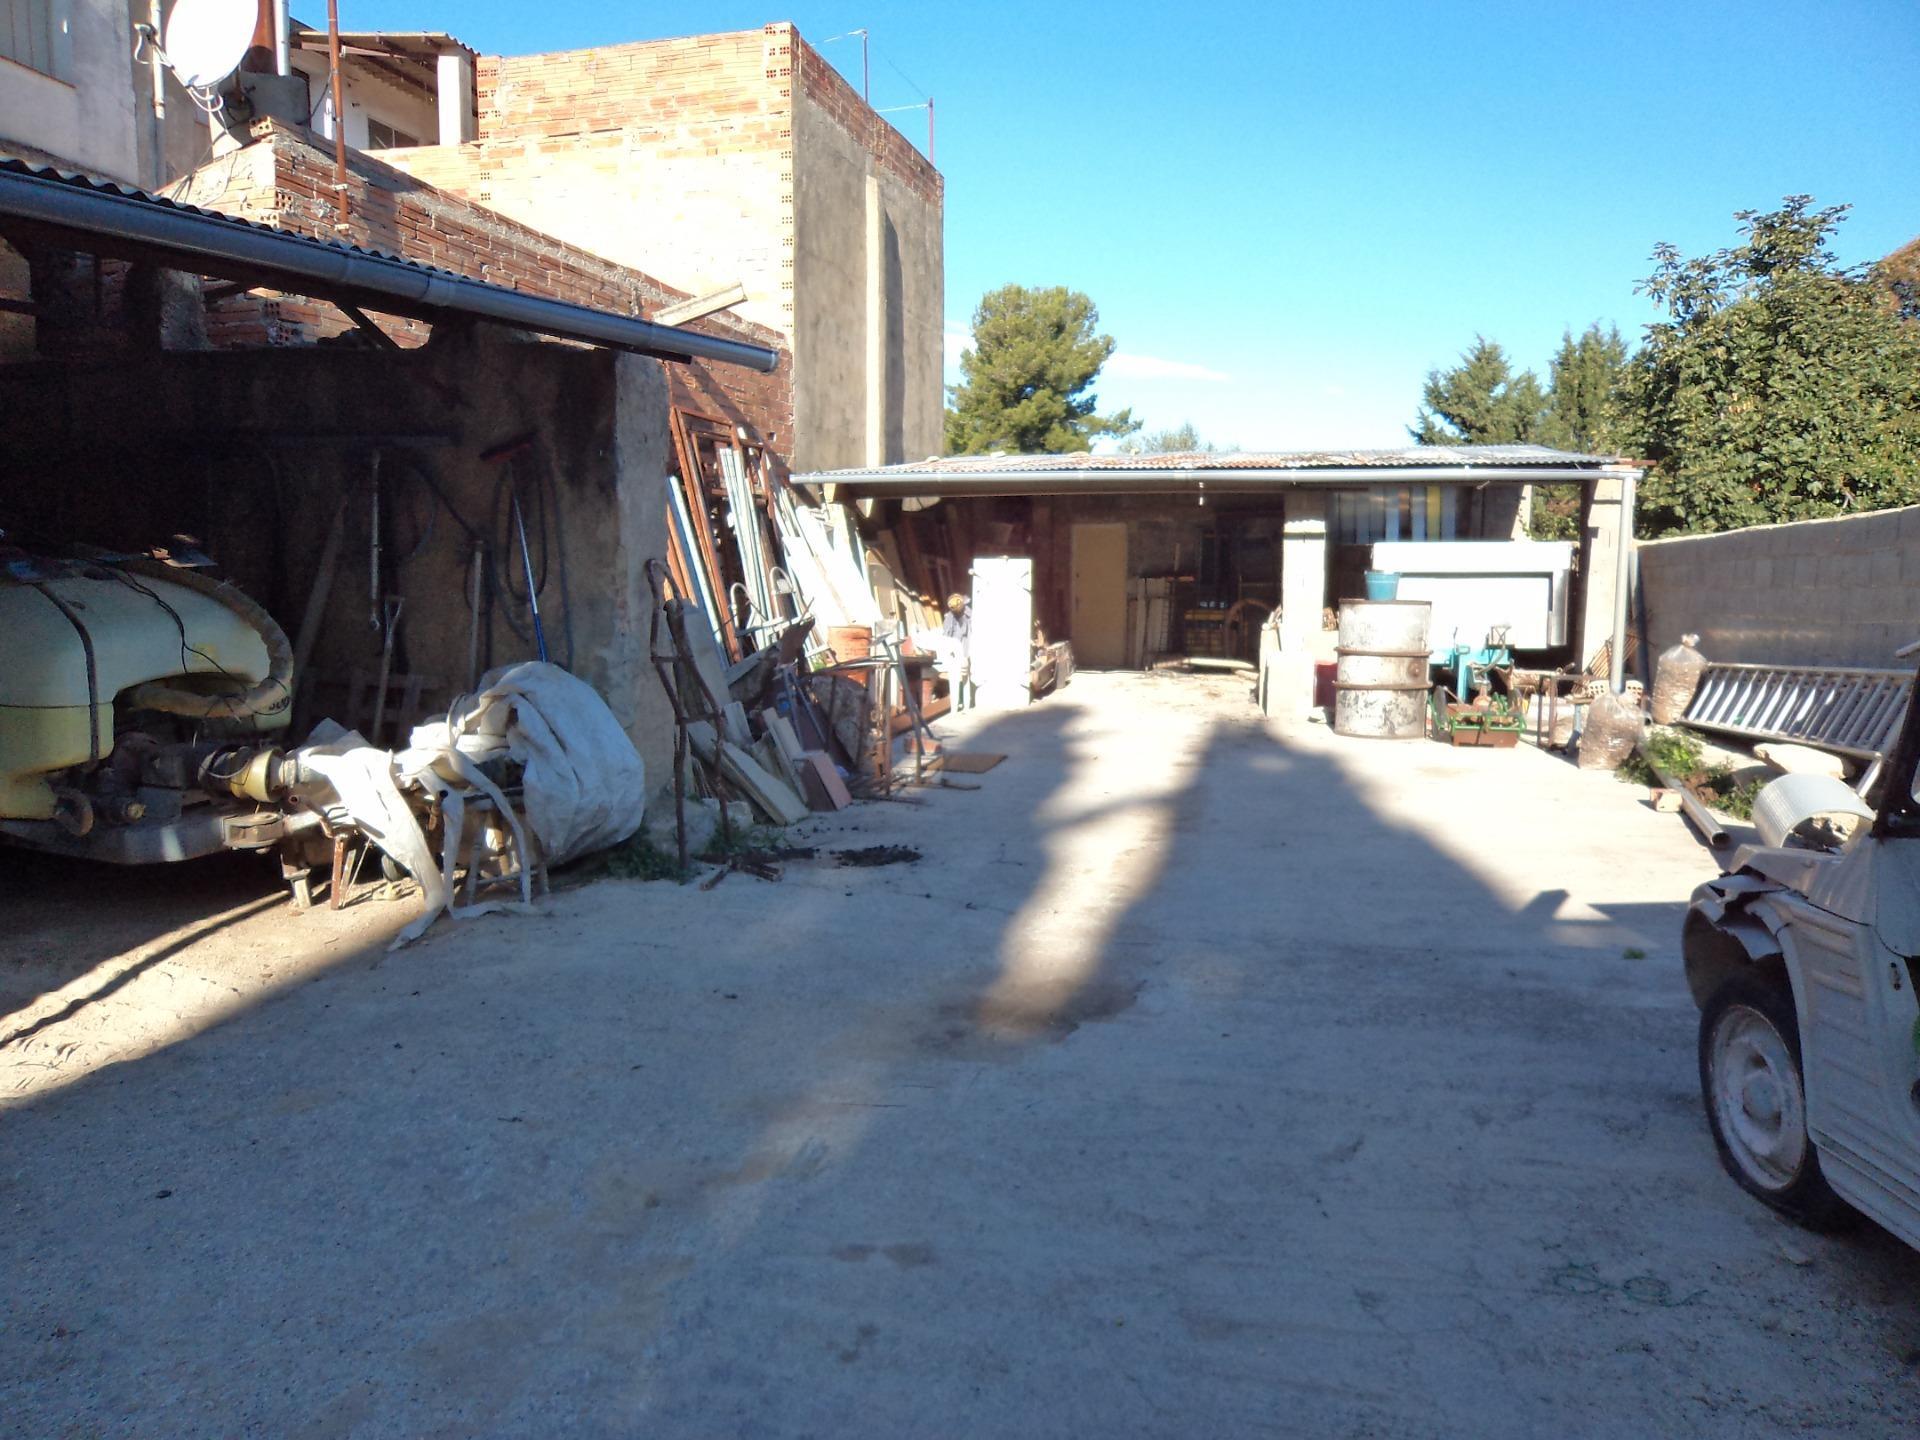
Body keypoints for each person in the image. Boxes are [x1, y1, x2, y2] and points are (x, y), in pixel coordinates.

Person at [940, 591, 975, 712]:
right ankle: (954, 708)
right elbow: (946, 635)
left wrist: (968, 654)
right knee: (954, 679)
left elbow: (971, 635)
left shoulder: (969, 616)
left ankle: (966, 706)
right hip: (953, 653)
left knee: (965, 678)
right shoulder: (949, 618)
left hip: (965, 651)